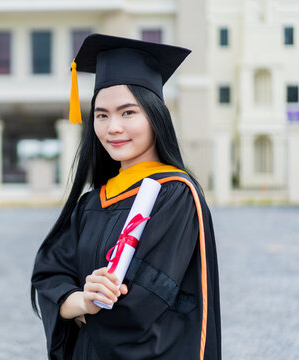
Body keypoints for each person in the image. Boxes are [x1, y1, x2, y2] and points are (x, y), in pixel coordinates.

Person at [31, 34, 221, 360]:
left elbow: (144, 300)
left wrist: (88, 305)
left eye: (128, 112)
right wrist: (81, 301)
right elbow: (50, 272)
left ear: (155, 115)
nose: (112, 127)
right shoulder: (92, 202)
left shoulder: (174, 194)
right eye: (101, 115)